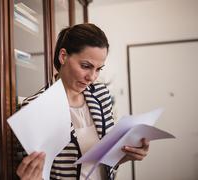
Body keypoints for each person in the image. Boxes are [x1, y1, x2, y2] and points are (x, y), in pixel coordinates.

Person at [15, 23, 150, 180]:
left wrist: (129, 154)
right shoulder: (34, 107)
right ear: (63, 56)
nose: (92, 77)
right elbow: (31, 171)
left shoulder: (101, 95)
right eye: (86, 66)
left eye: (99, 69)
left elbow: (105, 161)